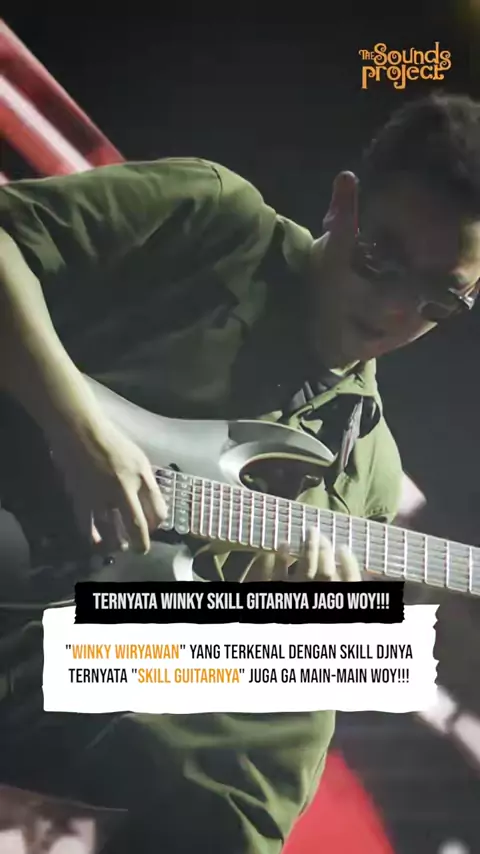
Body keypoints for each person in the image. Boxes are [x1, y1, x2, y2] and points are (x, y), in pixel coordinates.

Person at [0, 90, 479, 853]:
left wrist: (284, 617)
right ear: (342, 204)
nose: (394, 307)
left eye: (439, 298)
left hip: (56, 652)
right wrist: (75, 428)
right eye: (380, 257)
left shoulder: (368, 471)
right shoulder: (216, 217)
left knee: (304, 695)